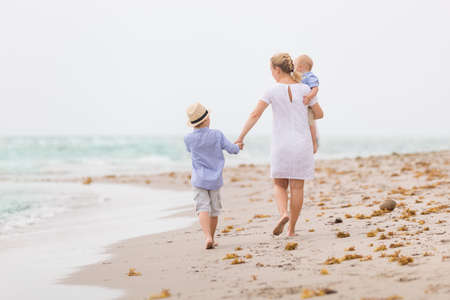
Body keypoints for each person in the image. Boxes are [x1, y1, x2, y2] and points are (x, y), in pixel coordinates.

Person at [235, 53, 323, 237]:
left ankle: (283, 214)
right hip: (302, 145)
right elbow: (319, 114)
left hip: (281, 144)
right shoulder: (305, 88)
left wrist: (241, 137)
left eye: (271, 71)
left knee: (279, 184)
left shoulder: (272, 90)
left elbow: (255, 115)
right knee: (297, 187)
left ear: (277, 69)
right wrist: (306, 104)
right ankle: (291, 230)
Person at [184, 102, 242, 249]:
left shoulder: (188, 139)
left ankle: (207, 237)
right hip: (215, 180)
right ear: (207, 119)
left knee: (202, 208)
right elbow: (232, 150)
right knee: (214, 210)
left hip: (198, 179)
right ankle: (213, 237)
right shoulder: (217, 135)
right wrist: (238, 146)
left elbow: (190, 151)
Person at [294, 54, 320, 153]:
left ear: (301, 67)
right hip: (302, 104)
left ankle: (314, 143)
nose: (294, 68)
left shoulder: (310, 76)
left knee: (311, 124)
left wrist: (309, 97)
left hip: (309, 104)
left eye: (295, 65)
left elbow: (315, 88)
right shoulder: (297, 77)